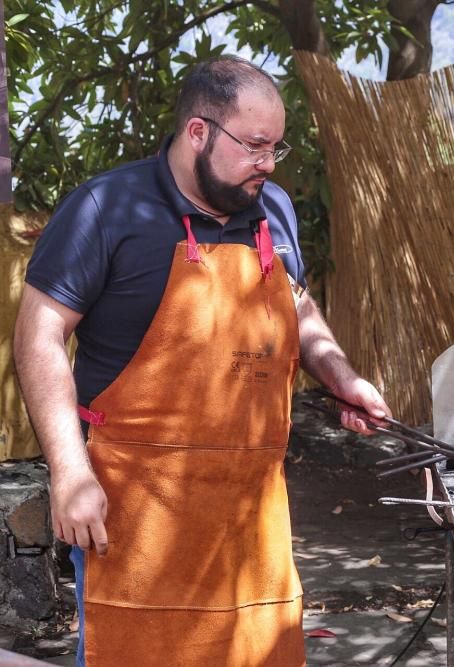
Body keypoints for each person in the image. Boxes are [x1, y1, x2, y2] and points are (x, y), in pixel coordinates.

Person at [13, 56, 390, 666]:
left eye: (277, 148)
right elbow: (38, 337)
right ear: (199, 132)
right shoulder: (106, 209)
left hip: (250, 516)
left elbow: (298, 305)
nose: (268, 164)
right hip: (135, 512)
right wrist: (69, 472)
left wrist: (341, 376)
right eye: (254, 146)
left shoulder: (274, 211)